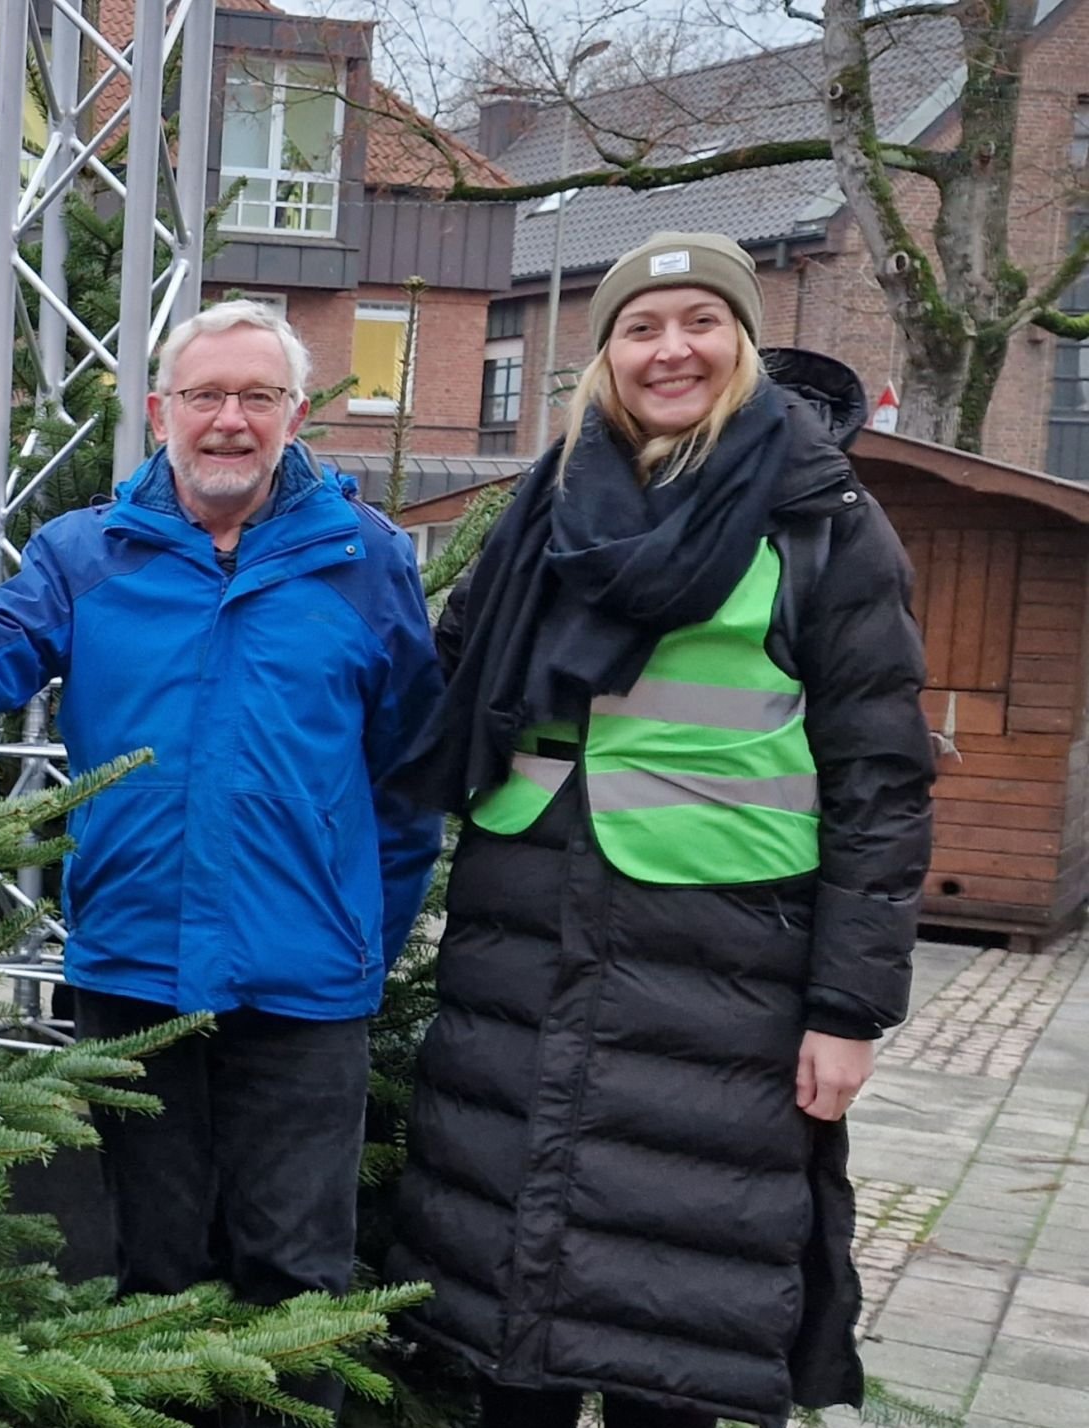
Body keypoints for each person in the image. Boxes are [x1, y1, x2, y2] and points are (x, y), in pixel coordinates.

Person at [0, 299, 443, 1422]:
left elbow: (410, 768)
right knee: (151, 1278)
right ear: (158, 410)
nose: (228, 421)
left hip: (307, 987)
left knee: (298, 1282)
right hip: (135, 973)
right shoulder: (89, 554)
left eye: (256, 397)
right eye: (204, 396)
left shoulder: (362, 562)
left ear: (295, 413)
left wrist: (366, 928)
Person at [386, 233, 932, 1428]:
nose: (669, 348)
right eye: (641, 327)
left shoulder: (821, 523)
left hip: (724, 962)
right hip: (521, 938)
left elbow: (882, 782)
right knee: (504, 1312)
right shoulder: (548, 504)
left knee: (675, 1319)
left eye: (698, 322)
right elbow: (448, 674)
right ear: (607, 354)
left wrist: (850, 1011)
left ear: (741, 342)